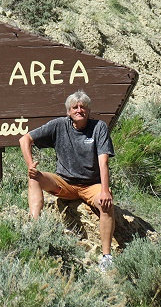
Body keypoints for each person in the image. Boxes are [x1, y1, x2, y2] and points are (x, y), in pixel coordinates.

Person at [18, 89, 115, 271]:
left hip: (91, 185)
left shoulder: (98, 127)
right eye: (75, 107)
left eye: (83, 107)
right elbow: (25, 139)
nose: (79, 110)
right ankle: (34, 230)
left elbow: (104, 162)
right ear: (68, 112)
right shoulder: (59, 125)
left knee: (106, 203)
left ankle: (106, 256)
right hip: (64, 183)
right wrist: (30, 165)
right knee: (34, 177)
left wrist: (104, 190)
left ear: (88, 110)